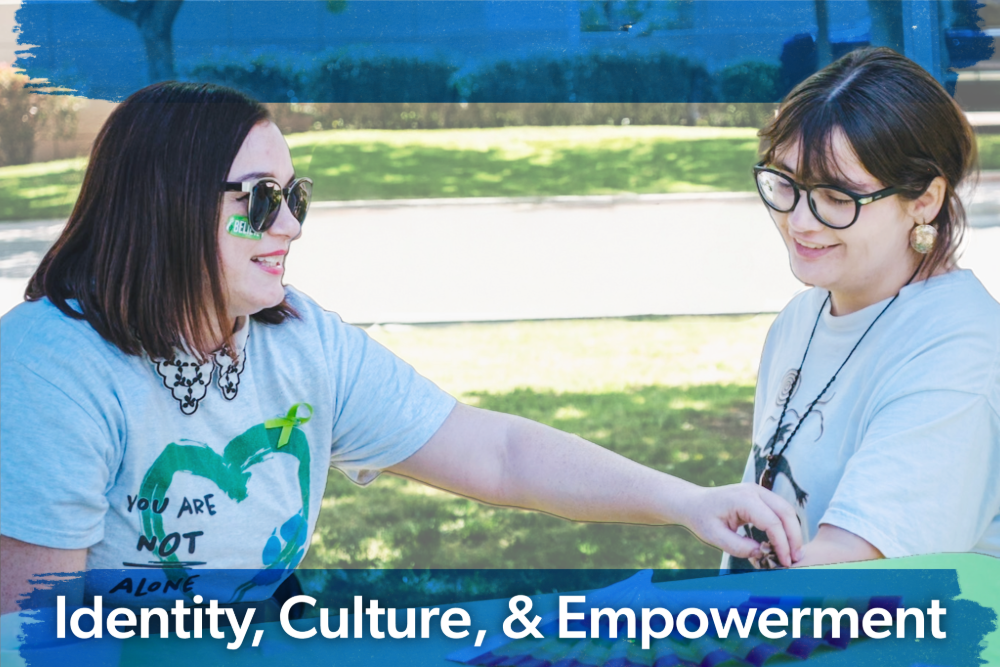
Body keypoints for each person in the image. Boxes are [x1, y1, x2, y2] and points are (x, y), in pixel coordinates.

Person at [0, 81, 801, 614]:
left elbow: (501, 453)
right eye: (260, 201)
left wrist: (686, 503)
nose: (290, 225)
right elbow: (36, 634)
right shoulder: (55, 367)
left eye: (297, 197)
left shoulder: (299, 341)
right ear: (165, 205)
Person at [727, 47, 1000, 570]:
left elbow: (850, 573)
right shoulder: (802, 317)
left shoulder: (963, 352)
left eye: (836, 195)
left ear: (924, 199)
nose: (800, 221)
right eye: (784, 184)